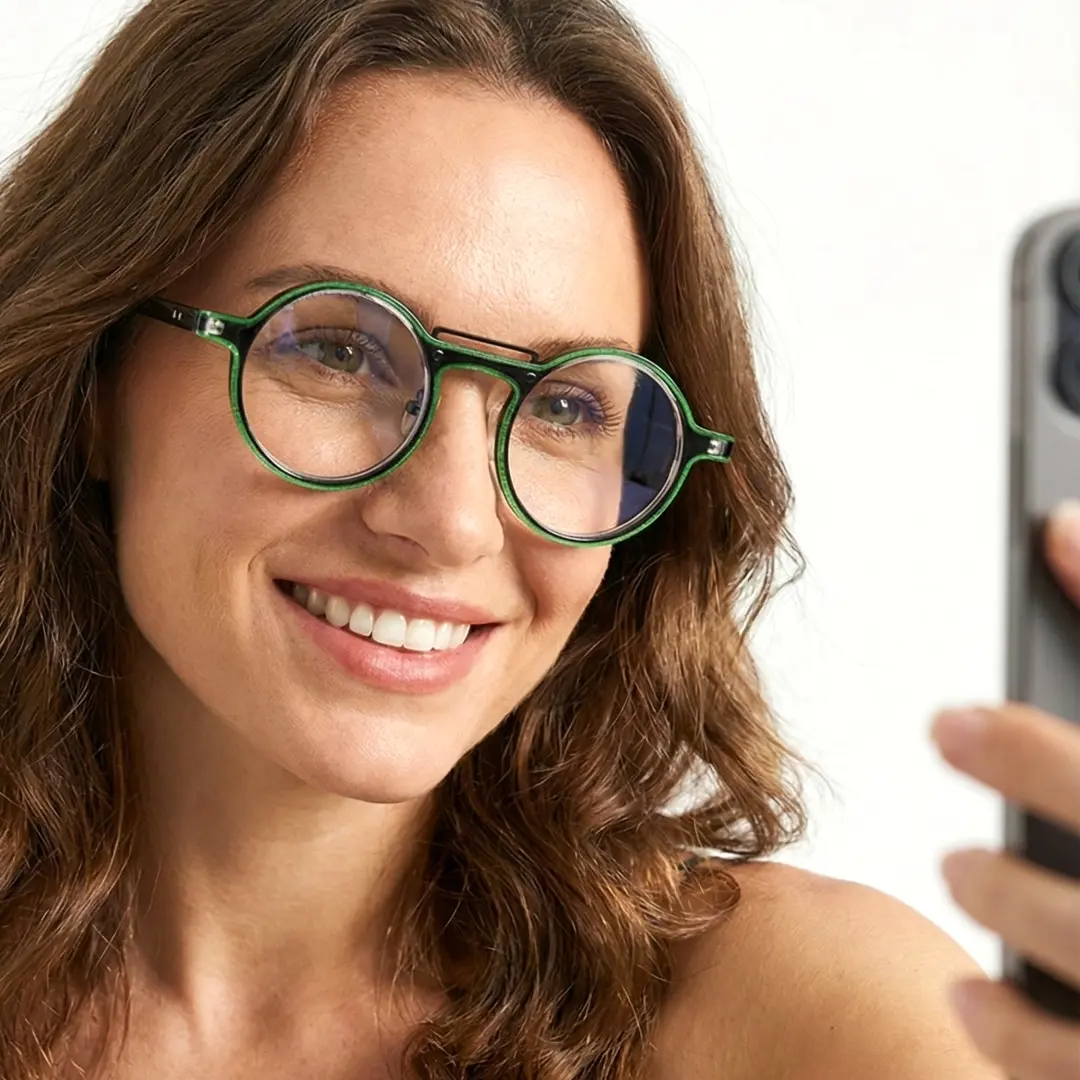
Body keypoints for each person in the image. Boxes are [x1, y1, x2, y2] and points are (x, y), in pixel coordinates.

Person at [0, 0, 1074, 1076]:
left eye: (565, 407)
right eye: (335, 351)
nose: (456, 520)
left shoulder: (805, 1022)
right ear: (93, 380)